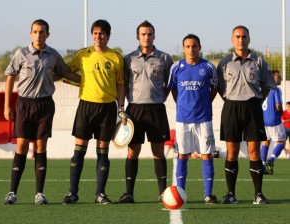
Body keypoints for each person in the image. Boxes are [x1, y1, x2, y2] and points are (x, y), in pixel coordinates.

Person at [4, 19, 80, 205]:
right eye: (35, 31)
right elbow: (10, 77)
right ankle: (12, 192)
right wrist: (7, 105)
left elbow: (64, 73)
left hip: (45, 106)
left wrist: (89, 80)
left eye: (42, 32)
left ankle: (39, 193)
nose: (39, 35)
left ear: (48, 34)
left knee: (40, 147)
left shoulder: (53, 55)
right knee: (21, 146)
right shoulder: (21, 54)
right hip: (24, 105)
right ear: (31, 34)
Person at [62, 19, 125, 204]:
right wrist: (81, 82)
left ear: (108, 36)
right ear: (92, 35)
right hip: (86, 106)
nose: (99, 37)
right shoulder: (83, 55)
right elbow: (67, 72)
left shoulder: (115, 57)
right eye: (96, 33)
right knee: (79, 151)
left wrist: (121, 107)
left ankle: (100, 194)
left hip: (108, 108)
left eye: (102, 34)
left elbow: (121, 84)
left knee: (103, 152)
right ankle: (72, 193)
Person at [217, 25, 276, 204]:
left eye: (244, 37)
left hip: (253, 108)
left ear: (249, 39)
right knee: (232, 152)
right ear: (232, 40)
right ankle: (231, 194)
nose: (240, 40)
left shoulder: (259, 61)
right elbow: (220, 88)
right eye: (237, 37)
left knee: (254, 151)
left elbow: (267, 86)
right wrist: (232, 99)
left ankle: (258, 194)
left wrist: (256, 101)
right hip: (231, 108)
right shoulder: (224, 62)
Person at [116, 20, 173, 204]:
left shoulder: (164, 58)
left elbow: (168, 85)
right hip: (134, 110)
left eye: (149, 34)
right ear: (137, 36)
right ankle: (129, 193)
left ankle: (163, 193)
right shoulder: (128, 59)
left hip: (156, 109)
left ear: (154, 36)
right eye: (143, 34)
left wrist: (159, 98)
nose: (146, 37)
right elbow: (123, 84)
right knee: (133, 152)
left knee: (158, 151)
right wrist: (121, 108)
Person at [167, 34, 218, 204]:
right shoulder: (176, 67)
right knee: (182, 154)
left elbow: (214, 88)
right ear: (183, 48)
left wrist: (203, 104)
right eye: (188, 46)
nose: (191, 49)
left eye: (194, 46)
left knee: (207, 154)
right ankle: (180, 193)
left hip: (204, 119)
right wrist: (183, 105)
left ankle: (208, 194)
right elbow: (173, 90)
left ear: (200, 47)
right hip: (183, 120)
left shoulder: (209, 67)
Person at [261, 70, 285, 174]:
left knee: (265, 142)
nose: (280, 79)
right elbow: (278, 105)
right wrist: (281, 113)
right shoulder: (275, 89)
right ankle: (270, 161)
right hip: (274, 120)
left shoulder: (263, 89)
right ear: (272, 78)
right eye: (278, 77)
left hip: (264, 121)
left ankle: (262, 165)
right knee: (281, 142)